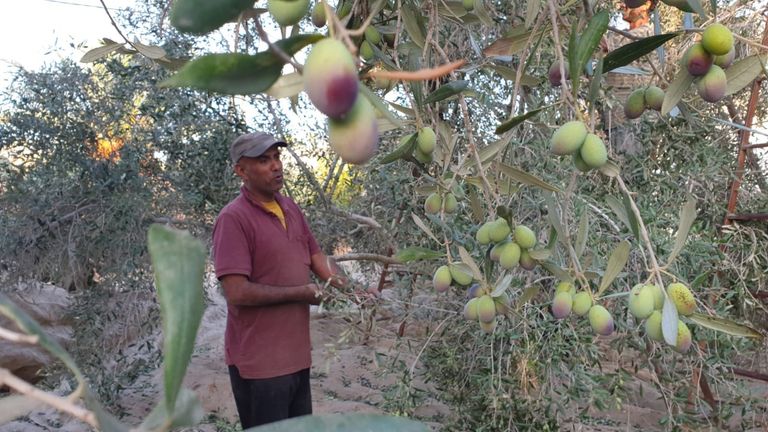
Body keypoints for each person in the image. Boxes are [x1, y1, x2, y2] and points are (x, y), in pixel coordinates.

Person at [211, 131, 348, 428]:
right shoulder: (233, 219)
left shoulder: (290, 208)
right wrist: (302, 293)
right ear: (241, 171)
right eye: (264, 160)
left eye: (277, 157)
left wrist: (355, 292)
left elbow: (316, 257)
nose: (276, 166)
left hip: (297, 357)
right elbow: (236, 292)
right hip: (260, 365)